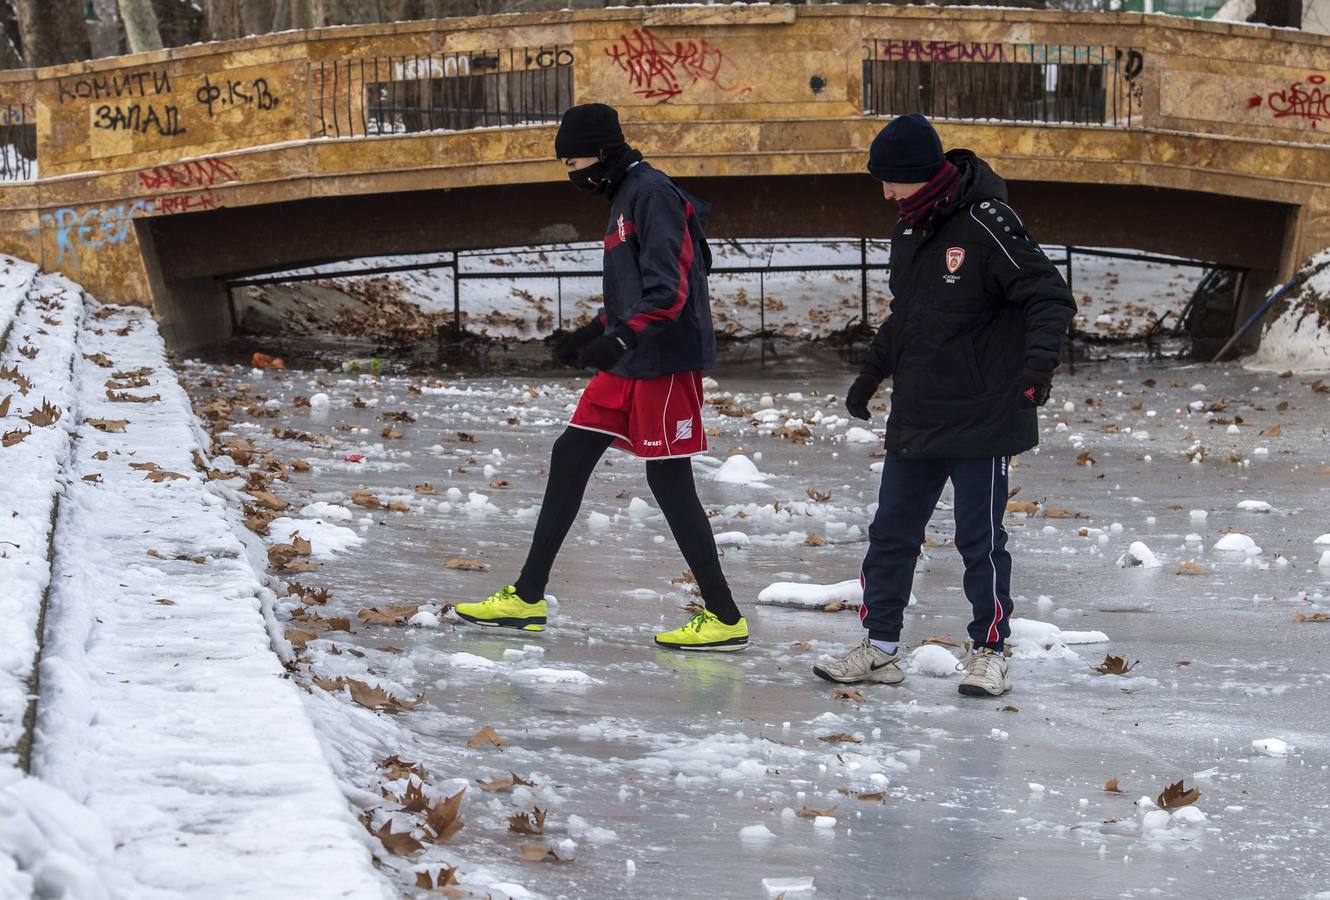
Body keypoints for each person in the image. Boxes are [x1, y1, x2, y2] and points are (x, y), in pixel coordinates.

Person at [454, 103, 748, 652]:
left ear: (605, 151)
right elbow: (631, 294)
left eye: (575, 159)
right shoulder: (622, 198)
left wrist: (621, 336)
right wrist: (590, 334)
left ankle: (725, 616)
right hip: (630, 358)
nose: (572, 172)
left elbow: (672, 288)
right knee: (570, 455)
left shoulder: (653, 193)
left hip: (662, 361)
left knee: (668, 480)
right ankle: (526, 596)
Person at [813, 113, 1076, 696]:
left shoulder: (988, 223)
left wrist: (1036, 371)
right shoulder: (910, 231)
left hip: (985, 413)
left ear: (920, 175)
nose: (884, 193)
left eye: (891, 180)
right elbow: (909, 316)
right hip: (920, 411)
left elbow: (1050, 298)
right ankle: (880, 647)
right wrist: (871, 373)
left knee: (979, 541)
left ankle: (989, 650)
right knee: (891, 534)